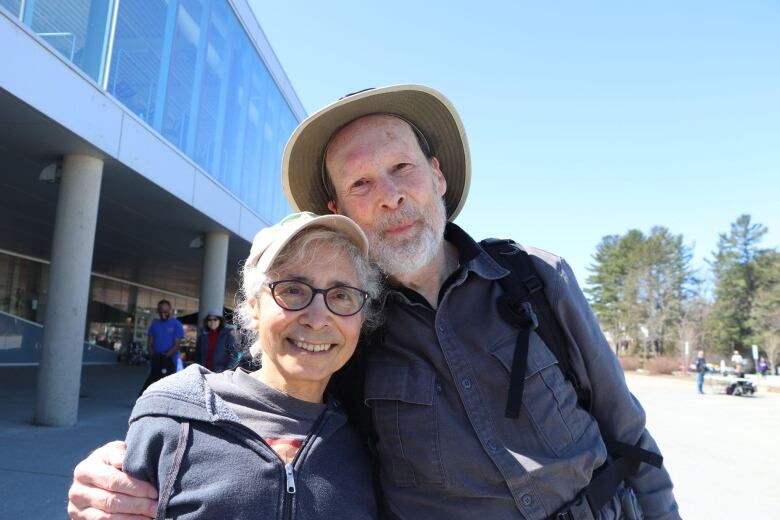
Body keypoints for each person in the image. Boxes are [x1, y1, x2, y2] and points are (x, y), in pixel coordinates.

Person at [68, 85, 679, 519]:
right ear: (339, 211)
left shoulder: (537, 278)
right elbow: (268, 406)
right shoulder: (344, 324)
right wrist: (125, 468)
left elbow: (630, 441)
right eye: (361, 182)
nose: (389, 196)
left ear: (437, 176)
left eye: (401, 168)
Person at [123, 212, 380, 518]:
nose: (317, 318)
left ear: (362, 317)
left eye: (341, 295)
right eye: (293, 290)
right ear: (254, 308)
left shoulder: (375, 442)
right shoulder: (170, 417)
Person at [138, 300, 184, 395]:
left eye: (165, 311)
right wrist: (152, 354)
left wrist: (166, 355)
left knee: (169, 381)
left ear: (170, 310)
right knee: (152, 379)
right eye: (161, 312)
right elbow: (150, 341)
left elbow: (177, 343)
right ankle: (142, 398)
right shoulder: (155, 324)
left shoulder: (176, 324)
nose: (163, 314)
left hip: (170, 359)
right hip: (156, 357)